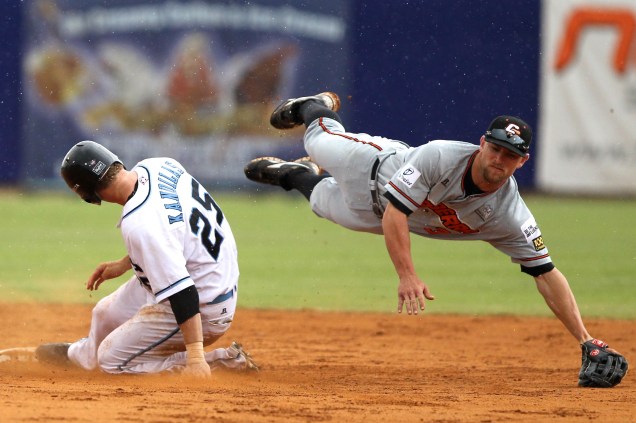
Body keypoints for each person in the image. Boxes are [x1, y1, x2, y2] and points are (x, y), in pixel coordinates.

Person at [244, 92, 628, 387]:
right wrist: (407, 274)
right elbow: (398, 211)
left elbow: (546, 273)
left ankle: (292, 174)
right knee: (317, 141)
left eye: (510, 155)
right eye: (494, 148)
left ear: (522, 162)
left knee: (321, 204)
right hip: (373, 166)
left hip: (374, 216)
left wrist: (586, 339)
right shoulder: (441, 157)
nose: (498, 159)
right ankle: (316, 104)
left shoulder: (510, 216)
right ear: (482, 143)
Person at [36, 141, 258, 377]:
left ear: (88, 193)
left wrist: (195, 357)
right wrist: (125, 263)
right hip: (208, 270)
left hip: (204, 304)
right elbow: (172, 230)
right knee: (103, 313)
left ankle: (221, 362)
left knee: (111, 361)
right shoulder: (158, 166)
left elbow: (183, 293)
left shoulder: (140, 224)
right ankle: (84, 358)